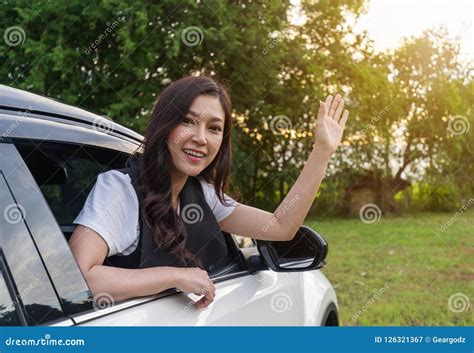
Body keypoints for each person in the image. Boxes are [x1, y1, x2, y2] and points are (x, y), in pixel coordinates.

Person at [69, 75, 349, 309]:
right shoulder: (120, 188)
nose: (201, 138)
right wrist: (173, 276)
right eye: (188, 121)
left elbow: (282, 226)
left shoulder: (204, 194)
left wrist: (321, 152)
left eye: (214, 128)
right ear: (164, 126)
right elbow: (79, 279)